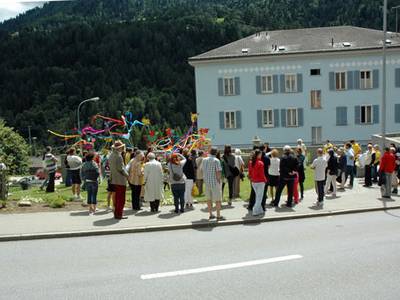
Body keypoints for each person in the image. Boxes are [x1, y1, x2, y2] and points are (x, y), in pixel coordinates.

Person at [202, 147, 224, 220]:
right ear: (216, 152)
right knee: (218, 200)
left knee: (209, 199)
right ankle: (218, 215)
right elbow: (218, 172)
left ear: (210, 152)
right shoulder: (216, 160)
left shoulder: (204, 160)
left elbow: (202, 170)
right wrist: (219, 180)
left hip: (207, 182)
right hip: (214, 182)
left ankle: (211, 214)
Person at [109, 141, 129, 220]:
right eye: (121, 147)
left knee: (117, 198)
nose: (122, 148)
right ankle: (119, 214)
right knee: (121, 199)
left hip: (114, 179)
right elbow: (120, 169)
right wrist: (127, 175)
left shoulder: (111, 155)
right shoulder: (118, 156)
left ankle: (116, 214)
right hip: (120, 180)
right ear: (119, 148)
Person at [248, 149, 267, 216]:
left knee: (258, 197)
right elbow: (262, 174)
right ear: (258, 155)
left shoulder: (251, 162)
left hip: (254, 182)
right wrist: (265, 180)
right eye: (261, 154)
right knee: (259, 197)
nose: (261, 155)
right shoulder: (260, 163)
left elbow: (249, 173)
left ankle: (260, 210)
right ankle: (255, 211)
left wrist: (251, 178)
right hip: (260, 182)